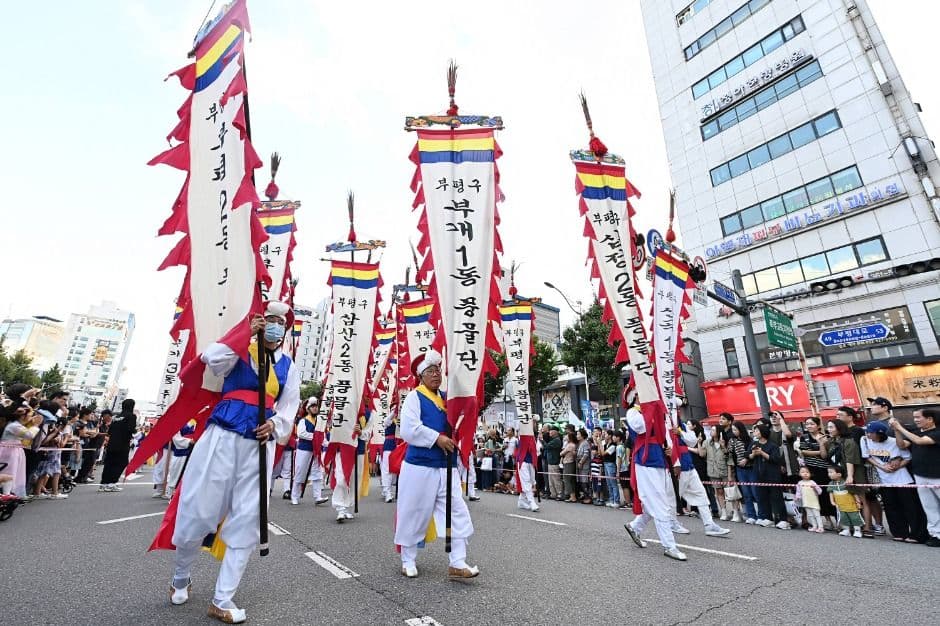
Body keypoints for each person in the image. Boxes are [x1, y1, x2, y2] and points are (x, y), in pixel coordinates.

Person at [168, 302, 301, 623]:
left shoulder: (289, 365)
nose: (274, 327)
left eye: (279, 323)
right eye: (269, 320)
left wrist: (277, 425)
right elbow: (212, 360)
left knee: (249, 518)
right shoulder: (239, 350)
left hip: (259, 444)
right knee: (200, 509)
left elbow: (288, 408)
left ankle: (222, 597)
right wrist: (243, 334)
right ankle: (180, 575)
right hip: (222, 437)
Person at [394, 350, 478, 579]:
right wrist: (437, 438)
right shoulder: (414, 397)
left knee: (456, 511)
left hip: (446, 466)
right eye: (430, 371)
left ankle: (457, 561)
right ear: (421, 376)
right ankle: (408, 560)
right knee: (414, 512)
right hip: (419, 466)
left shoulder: (446, 398)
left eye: (438, 370)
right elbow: (409, 430)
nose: (436, 374)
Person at [623, 399, 686, 561]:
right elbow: (641, 427)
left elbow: (665, 434)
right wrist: (651, 408)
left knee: (656, 501)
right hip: (645, 460)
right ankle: (669, 546)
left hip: (660, 458)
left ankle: (635, 526)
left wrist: (669, 450)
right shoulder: (633, 412)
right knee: (659, 503)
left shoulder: (657, 412)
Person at [862, 421, 925, 543]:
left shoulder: (892, 442)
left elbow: (908, 457)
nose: (868, 434)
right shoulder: (864, 440)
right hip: (884, 480)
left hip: (902, 479)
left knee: (910, 507)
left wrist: (898, 466)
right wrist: (882, 467)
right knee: (891, 507)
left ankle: (916, 534)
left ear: (879, 434)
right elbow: (867, 457)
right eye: (867, 432)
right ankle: (899, 533)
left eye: (870, 433)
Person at [891, 409, 940, 547]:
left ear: (930, 419)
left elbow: (920, 441)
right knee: (929, 507)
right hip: (920, 475)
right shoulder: (916, 433)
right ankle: (936, 535)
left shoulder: (937, 432)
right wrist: (897, 430)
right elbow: (901, 445)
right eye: (914, 418)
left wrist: (900, 427)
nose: (916, 420)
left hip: (937, 476)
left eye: (918, 417)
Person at [673, 420, 730, 537]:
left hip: (688, 465)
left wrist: (680, 432)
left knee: (701, 494)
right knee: (669, 500)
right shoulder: (663, 423)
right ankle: (637, 525)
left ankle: (709, 525)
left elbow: (692, 441)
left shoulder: (681, 425)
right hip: (676, 466)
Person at [796, 417, 837, 530]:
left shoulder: (825, 437)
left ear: (818, 425)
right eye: (807, 424)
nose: (809, 426)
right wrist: (820, 450)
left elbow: (826, 455)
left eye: (811, 424)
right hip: (811, 470)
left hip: (825, 469)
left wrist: (819, 449)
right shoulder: (804, 437)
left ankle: (837, 520)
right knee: (817, 496)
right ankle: (827, 521)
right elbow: (803, 452)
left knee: (829, 494)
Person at [750, 423, 788, 529]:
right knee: (762, 497)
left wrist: (762, 453)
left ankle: (783, 520)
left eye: (757, 431)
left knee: (777, 498)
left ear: (763, 432)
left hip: (772, 475)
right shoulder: (754, 443)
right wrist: (753, 454)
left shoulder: (772, 445)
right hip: (759, 475)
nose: (755, 433)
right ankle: (768, 518)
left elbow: (775, 459)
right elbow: (748, 456)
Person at [292, 397, 328, 506]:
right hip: (304, 450)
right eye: (313, 406)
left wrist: (330, 445)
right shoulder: (303, 420)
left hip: (316, 451)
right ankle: (294, 496)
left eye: (316, 406)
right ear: (308, 408)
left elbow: (323, 438)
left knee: (317, 473)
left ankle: (318, 496)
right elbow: (301, 434)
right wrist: (316, 437)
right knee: (300, 472)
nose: (315, 408)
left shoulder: (320, 422)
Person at [0, 404, 41, 496]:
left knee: (15, 472)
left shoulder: (16, 425)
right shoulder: (14, 426)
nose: (31, 418)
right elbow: (29, 435)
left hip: (15, 451)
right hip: (8, 452)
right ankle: (6, 494)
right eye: (30, 415)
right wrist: (36, 425)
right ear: (23, 416)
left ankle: (9, 494)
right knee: (10, 472)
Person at [99, 399, 138, 492]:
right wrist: (135, 431)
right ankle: (112, 483)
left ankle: (103, 483)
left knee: (109, 463)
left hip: (112, 443)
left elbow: (110, 431)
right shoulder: (131, 416)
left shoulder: (116, 417)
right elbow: (130, 429)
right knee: (122, 462)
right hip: (122, 444)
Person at [727, 422, 759, 523]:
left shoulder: (749, 439)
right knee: (746, 493)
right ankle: (751, 516)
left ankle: (761, 515)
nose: (734, 432)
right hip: (740, 469)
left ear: (741, 429)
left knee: (755, 492)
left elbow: (752, 452)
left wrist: (746, 459)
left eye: (735, 429)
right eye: (733, 430)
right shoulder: (732, 440)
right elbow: (729, 453)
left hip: (751, 468)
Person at [701, 426, 730, 520]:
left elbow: (729, 456)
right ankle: (723, 511)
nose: (711, 431)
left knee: (730, 491)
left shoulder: (726, 442)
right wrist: (698, 442)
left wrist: (723, 446)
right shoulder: (707, 442)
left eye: (713, 430)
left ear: (719, 432)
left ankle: (736, 511)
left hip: (725, 470)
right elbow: (702, 454)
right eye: (711, 430)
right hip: (713, 471)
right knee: (719, 491)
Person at [827, 465, 863, 537]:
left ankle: (857, 530)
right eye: (828, 472)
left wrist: (858, 501)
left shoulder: (846, 482)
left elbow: (854, 492)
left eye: (831, 472)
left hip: (851, 504)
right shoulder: (831, 484)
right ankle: (846, 530)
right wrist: (832, 501)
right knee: (843, 517)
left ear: (839, 474)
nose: (829, 474)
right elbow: (831, 493)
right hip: (840, 504)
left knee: (854, 517)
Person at [794, 466, 824, 532]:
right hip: (806, 502)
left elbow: (820, 492)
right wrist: (797, 498)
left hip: (814, 502)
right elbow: (798, 492)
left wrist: (814, 488)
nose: (805, 473)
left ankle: (820, 527)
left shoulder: (812, 482)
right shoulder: (799, 483)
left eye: (807, 472)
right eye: (802, 472)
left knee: (817, 515)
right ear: (799, 474)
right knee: (810, 515)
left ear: (810, 473)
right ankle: (814, 526)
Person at [380, 409, 400, 503]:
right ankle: (387, 492)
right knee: (387, 470)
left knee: (395, 471)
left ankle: (389, 490)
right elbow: (386, 421)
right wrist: (396, 409)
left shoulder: (401, 419)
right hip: (389, 445)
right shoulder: (389, 420)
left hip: (399, 446)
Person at [542, 426, 562, 500]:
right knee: (551, 480)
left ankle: (559, 494)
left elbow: (546, 446)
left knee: (556, 479)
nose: (550, 432)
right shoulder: (553, 439)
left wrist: (542, 440)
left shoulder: (557, 440)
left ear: (556, 432)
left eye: (551, 431)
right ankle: (553, 494)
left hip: (554, 462)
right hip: (550, 462)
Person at [560, 431, 577, 503]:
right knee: (571, 479)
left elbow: (561, 453)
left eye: (567, 436)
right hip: (569, 462)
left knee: (567, 479)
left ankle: (572, 496)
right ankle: (572, 496)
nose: (565, 437)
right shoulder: (571, 444)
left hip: (568, 462)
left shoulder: (570, 445)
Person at [576, 428, 591, 504]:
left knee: (584, 481)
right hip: (580, 465)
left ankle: (588, 497)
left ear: (582, 435)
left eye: (578, 434)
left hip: (584, 466)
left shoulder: (585, 443)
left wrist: (581, 462)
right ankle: (585, 496)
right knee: (581, 481)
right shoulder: (580, 443)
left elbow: (586, 454)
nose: (577, 436)